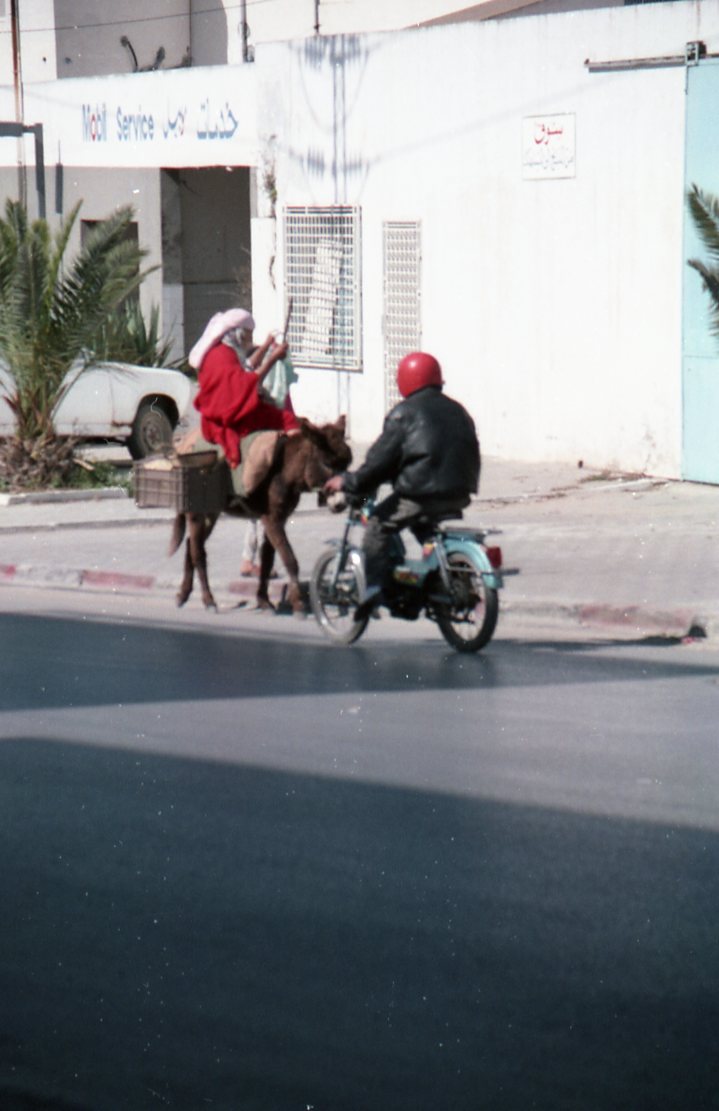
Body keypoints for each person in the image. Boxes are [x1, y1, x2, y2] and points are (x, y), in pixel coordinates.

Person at [324, 351, 480, 620]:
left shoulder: (403, 414)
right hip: (460, 491)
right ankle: (423, 580)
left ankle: (373, 589)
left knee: (377, 524)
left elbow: (378, 461)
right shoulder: (458, 410)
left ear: (405, 380)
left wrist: (348, 481)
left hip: (421, 494)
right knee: (421, 524)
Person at [188, 307, 299, 469]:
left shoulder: (224, 350)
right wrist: (273, 358)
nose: (249, 339)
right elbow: (245, 382)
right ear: (239, 333)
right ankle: (295, 464)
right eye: (248, 334)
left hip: (221, 415)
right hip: (231, 419)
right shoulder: (221, 355)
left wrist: (266, 346)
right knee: (288, 419)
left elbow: (246, 368)